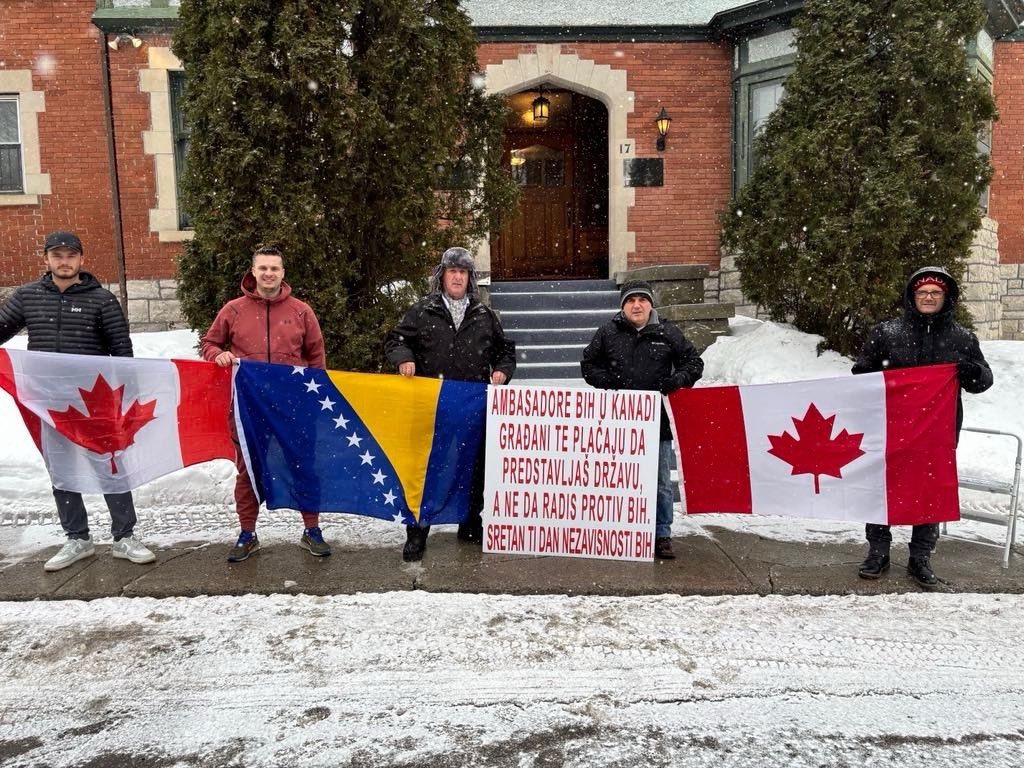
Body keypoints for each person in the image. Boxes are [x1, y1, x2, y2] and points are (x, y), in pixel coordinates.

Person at [0, 230, 156, 571]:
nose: (64, 261)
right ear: (46, 259)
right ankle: (77, 538)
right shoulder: (28, 297)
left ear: (81, 259)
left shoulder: (101, 300)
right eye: (57, 255)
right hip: (50, 403)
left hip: (94, 404)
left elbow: (122, 351)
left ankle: (124, 536)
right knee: (62, 471)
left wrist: (128, 396)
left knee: (110, 467)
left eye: (71, 255)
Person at [853, 266, 993, 589]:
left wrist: (970, 370)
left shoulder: (961, 338)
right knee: (882, 489)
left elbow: (984, 380)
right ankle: (878, 551)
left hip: (937, 434)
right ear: (912, 297)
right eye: (922, 292)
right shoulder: (886, 333)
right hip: (890, 430)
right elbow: (862, 374)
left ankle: (920, 557)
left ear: (946, 298)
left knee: (930, 492)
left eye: (935, 293)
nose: (928, 297)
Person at [384, 246, 516, 562]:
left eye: (463, 272)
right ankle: (418, 529)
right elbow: (395, 340)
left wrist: (502, 370)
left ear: (469, 278)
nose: (457, 277)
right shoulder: (422, 310)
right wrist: (404, 358)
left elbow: (505, 352)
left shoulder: (485, 315)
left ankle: (470, 521)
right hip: (433, 408)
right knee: (428, 470)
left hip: (473, 407)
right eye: (451, 271)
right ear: (442, 276)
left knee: (474, 466)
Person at [201, 244, 331, 562]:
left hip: (293, 408)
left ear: (282, 273)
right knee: (248, 472)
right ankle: (248, 533)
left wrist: (314, 399)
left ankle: (311, 530)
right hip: (249, 407)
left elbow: (316, 358)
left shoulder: (302, 311)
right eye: (263, 268)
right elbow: (208, 343)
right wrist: (218, 354)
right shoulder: (233, 310)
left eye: (274, 268)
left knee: (303, 467)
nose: (269, 273)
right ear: (253, 272)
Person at [581, 280, 704, 560]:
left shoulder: (667, 332)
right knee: (618, 478)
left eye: (642, 300)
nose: (636, 305)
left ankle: (661, 534)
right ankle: (620, 529)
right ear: (623, 306)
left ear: (650, 304)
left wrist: (677, 381)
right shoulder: (608, 332)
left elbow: (693, 363)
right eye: (630, 300)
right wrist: (606, 382)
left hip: (656, 419)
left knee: (660, 481)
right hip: (619, 420)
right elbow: (588, 364)